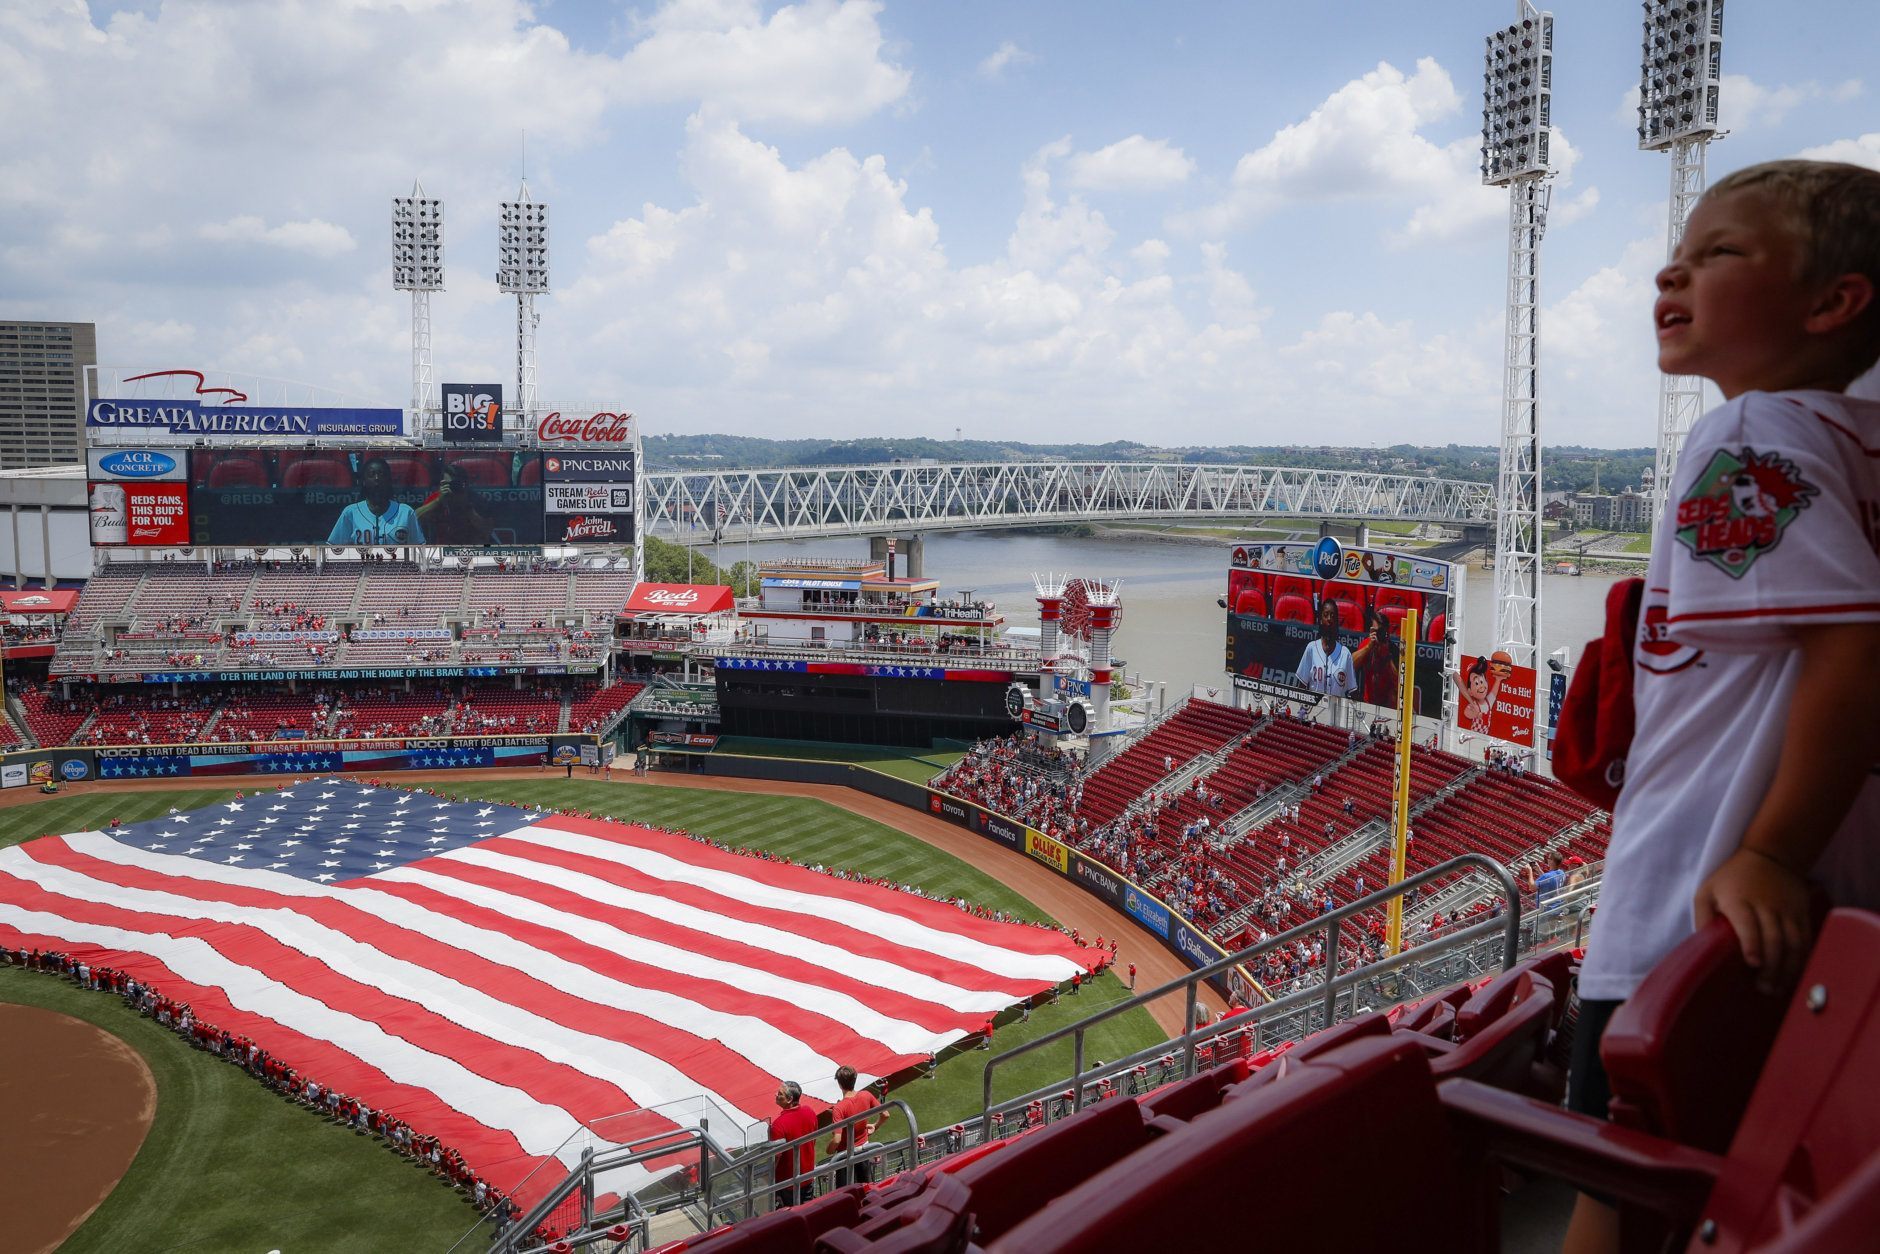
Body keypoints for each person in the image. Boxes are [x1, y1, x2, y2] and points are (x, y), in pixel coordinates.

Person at [1566, 160, 1880, 1254]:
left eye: (1719, 254)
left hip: (1690, 910)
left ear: (1832, 301)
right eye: (1677, 256)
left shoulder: (1748, 432)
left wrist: (1766, 852)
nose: (1671, 273)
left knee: (1611, 1196)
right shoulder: (1853, 442)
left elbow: (1855, 650)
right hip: (1810, 913)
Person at [326, 457, 425, 546]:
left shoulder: (406, 513)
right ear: (364, 481)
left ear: (389, 480)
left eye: (381, 474)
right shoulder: (350, 512)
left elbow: (420, 549)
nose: (377, 478)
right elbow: (333, 549)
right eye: (371, 474)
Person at [415, 462, 498, 545]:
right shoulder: (437, 498)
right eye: (447, 484)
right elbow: (415, 518)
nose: (452, 487)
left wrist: (467, 508)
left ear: (464, 485)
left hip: (472, 547)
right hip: (443, 548)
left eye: (455, 484)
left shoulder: (476, 500)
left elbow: (487, 530)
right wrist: (438, 501)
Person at [826, 1066, 880, 1187]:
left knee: (846, 1191)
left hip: (845, 1156)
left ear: (839, 1084)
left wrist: (829, 1150)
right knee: (866, 1187)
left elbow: (837, 1139)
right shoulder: (866, 1095)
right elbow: (885, 1114)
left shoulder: (839, 1108)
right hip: (864, 1150)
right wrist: (875, 1126)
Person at [768, 1080, 818, 1207]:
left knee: (793, 1214)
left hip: (788, 1183)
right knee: (809, 1211)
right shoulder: (810, 1112)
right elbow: (814, 1139)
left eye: (780, 1094)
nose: (776, 1095)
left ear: (789, 1099)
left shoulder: (778, 1125)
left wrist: (769, 1178)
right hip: (808, 1175)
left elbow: (775, 1158)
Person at [1294, 598, 1359, 696]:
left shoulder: (1345, 654)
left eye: (1333, 616)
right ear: (1321, 620)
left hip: (1336, 705)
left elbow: (1352, 690)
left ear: (1336, 621)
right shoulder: (1311, 648)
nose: (1329, 619)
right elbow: (1301, 685)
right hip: (1314, 704)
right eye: (1326, 615)